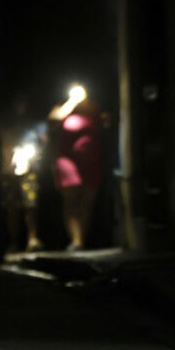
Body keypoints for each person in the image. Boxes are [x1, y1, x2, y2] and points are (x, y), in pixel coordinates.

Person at [0, 92, 47, 253]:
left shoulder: (35, 122)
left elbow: (45, 140)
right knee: (11, 207)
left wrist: (41, 152)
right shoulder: (3, 121)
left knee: (31, 205)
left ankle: (32, 239)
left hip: (29, 169)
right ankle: (13, 242)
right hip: (9, 170)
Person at [48, 85, 104, 252]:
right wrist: (72, 101)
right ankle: (76, 241)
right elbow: (52, 122)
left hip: (91, 161)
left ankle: (82, 239)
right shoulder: (62, 109)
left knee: (87, 202)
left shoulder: (93, 108)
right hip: (68, 162)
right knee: (71, 201)